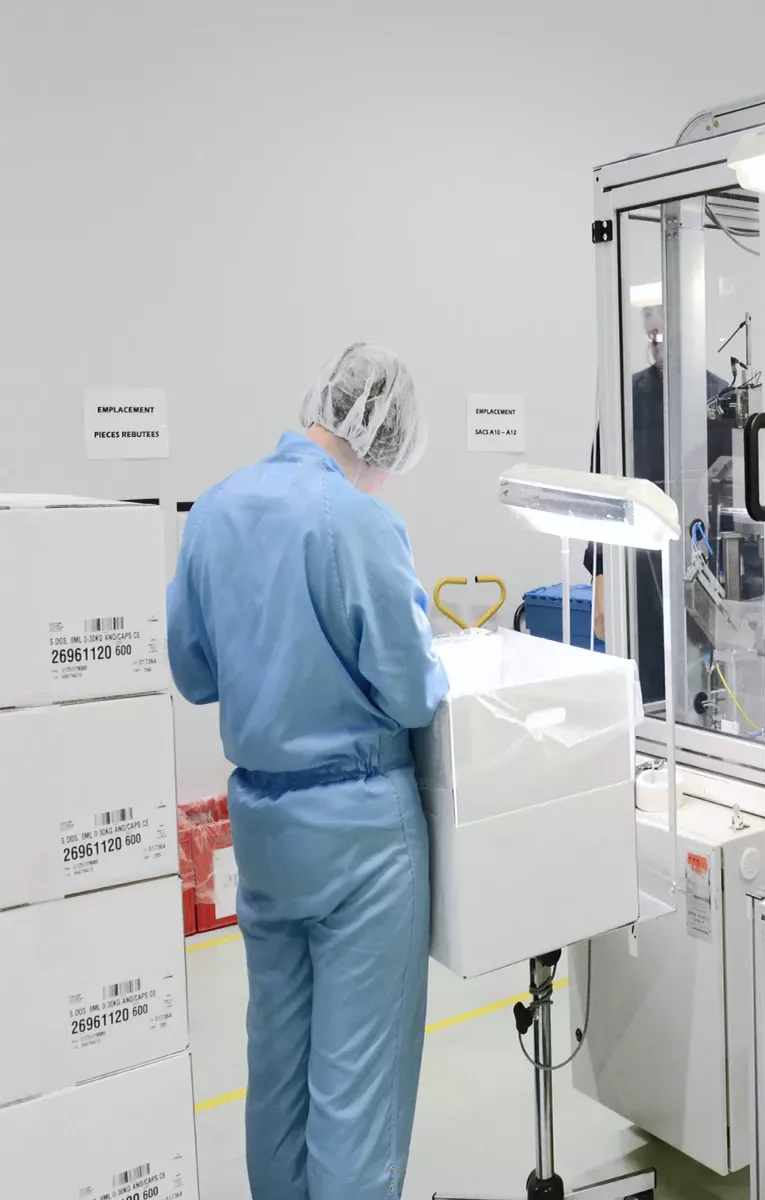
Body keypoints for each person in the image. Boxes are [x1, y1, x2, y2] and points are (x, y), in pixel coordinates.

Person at [167, 343, 447, 1200]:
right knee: (356, 1086)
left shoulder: (214, 511)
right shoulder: (357, 523)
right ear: (386, 434)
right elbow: (411, 691)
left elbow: (194, 673)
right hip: (363, 838)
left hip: (263, 830)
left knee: (278, 1070)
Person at [587, 304, 733, 705]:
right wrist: (601, 584)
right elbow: (604, 490)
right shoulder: (627, 398)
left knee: (709, 685)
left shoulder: (720, 398)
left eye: (664, 336)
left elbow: (737, 495)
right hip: (638, 570)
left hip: (707, 568)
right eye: (651, 337)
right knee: (648, 688)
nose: (656, 346)